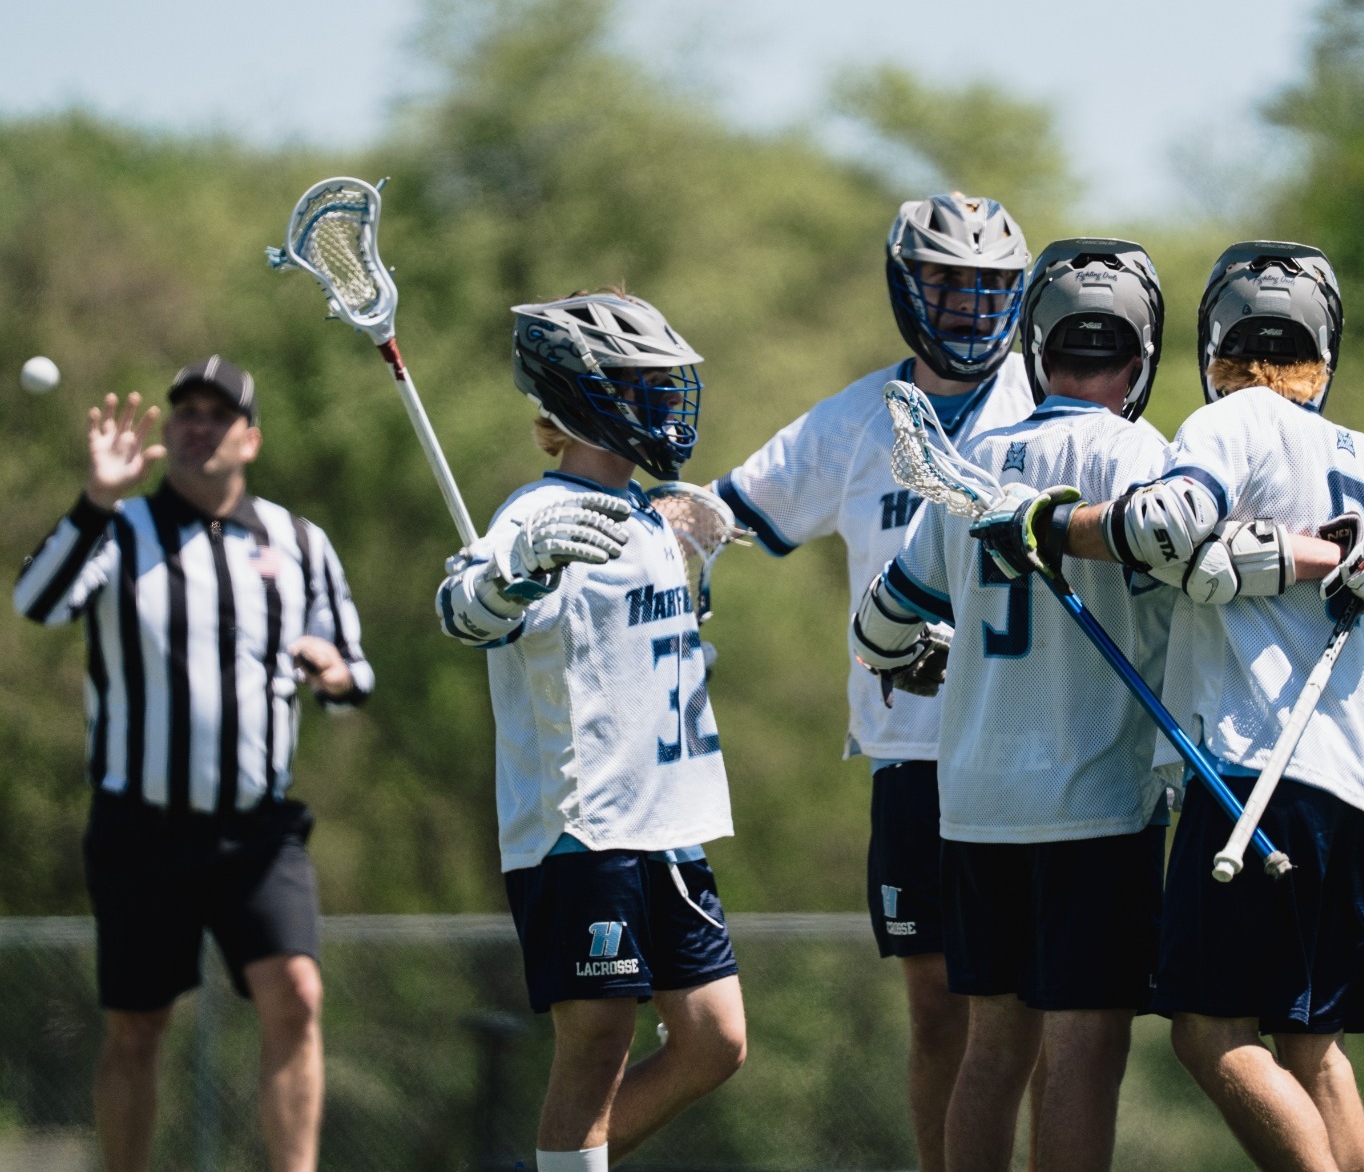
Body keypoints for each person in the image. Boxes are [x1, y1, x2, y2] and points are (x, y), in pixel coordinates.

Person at [977, 241, 1364, 1172]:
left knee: (1208, 1032)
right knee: (1313, 1042)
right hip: (1353, 792)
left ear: (1213, 344)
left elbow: (1167, 526)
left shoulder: (1227, 421)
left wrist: (1047, 523)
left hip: (1246, 774)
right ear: (1325, 346)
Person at [712, 192, 1036, 1170]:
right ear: (906, 287)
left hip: (1031, 746)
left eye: (988, 285)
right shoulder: (855, 421)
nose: (968, 303)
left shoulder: (1046, 403)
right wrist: (607, 520)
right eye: (946, 281)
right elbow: (726, 512)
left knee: (1040, 1009)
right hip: (909, 751)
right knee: (938, 1010)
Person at [850, 238, 1174, 1172]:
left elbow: (880, 627)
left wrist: (922, 653)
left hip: (975, 806)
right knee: (1084, 1048)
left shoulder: (976, 459)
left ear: (1037, 346)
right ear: (1141, 354)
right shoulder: (1141, 453)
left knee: (993, 1047)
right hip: (1096, 802)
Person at [13, 357, 372, 1172]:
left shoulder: (298, 542)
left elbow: (354, 672)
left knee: (298, 995)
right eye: (187, 412)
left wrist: (335, 673)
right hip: (141, 824)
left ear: (251, 439)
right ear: (168, 430)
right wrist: (96, 498)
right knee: (137, 1026)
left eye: (219, 413)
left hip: (258, 830)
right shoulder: (119, 530)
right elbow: (36, 600)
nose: (199, 425)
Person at [435, 293, 744, 1172]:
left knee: (714, 1040)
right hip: (583, 828)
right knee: (598, 1038)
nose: (667, 401)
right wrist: (517, 570)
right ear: (587, 393)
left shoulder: (648, 512)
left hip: (668, 827)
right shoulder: (537, 512)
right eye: (644, 384)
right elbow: (463, 609)